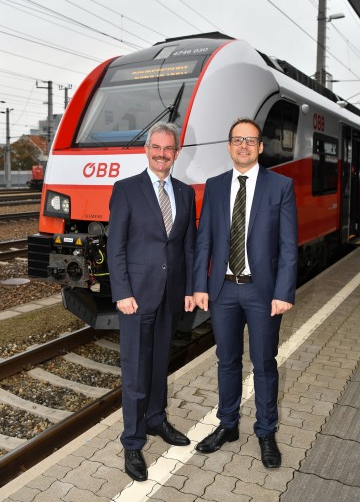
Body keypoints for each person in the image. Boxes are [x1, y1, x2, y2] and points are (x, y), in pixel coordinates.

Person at [193, 118, 298, 468]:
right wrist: (199, 286)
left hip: (262, 293)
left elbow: (287, 246)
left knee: (265, 363)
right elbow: (204, 239)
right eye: (238, 140)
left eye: (250, 141)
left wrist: (284, 291)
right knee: (227, 361)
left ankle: (266, 431)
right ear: (229, 146)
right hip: (223, 290)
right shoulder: (215, 185)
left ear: (261, 147)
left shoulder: (280, 186)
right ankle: (228, 425)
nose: (243, 146)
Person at [107, 122, 196, 482]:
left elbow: (187, 245)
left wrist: (190, 288)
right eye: (156, 148)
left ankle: (157, 420)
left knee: (160, 363)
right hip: (137, 297)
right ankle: (132, 440)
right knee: (135, 373)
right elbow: (117, 248)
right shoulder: (126, 190)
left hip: (171, 294)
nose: (162, 155)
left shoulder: (186, 193)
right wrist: (122, 292)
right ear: (147, 150)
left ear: (176, 153)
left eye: (168, 149)